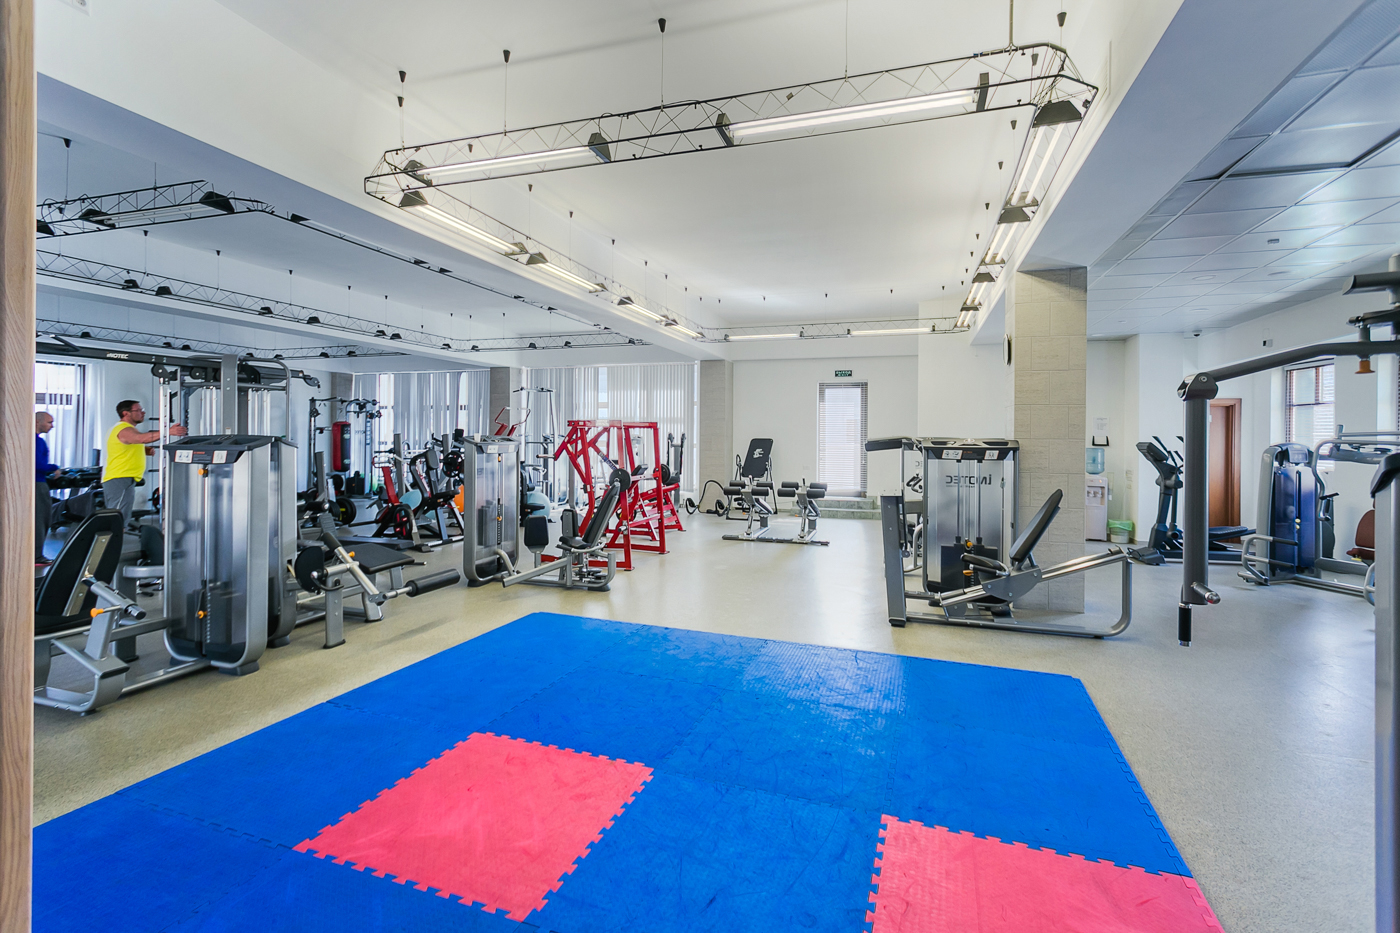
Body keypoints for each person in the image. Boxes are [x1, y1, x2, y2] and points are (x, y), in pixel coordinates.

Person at [102, 400, 186, 526]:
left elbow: (125, 446)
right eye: (138, 410)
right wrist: (168, 431)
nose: (143, 413)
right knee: (117, 519)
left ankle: (116, 537)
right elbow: (140, 438)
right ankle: (113, 538)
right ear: (126, 413)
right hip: (119, 478)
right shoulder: (123, 429)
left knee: (120, 517)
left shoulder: (122, 429)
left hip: (122, 478)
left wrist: (145, 450)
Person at [36, 411, 59, 565]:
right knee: (41, 520)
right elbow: (37, 464)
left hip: (35, 483)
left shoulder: (32, 440)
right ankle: (36, 557)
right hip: (38, 484)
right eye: (49, 422)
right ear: (38, 422)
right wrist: (54, 467)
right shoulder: (37, 441)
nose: (52, 426)